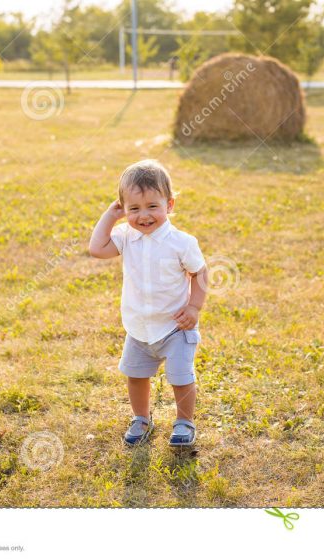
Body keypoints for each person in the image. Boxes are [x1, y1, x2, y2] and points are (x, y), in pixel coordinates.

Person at [88, 159, 208, 447]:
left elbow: (200, 272)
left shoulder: (182, 242)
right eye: (134, 208)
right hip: (139, 326)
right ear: (123, 209)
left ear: (170, 205)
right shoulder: (126, 238)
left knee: (180, 378)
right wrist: (110, 215)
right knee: (136, 376)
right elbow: (96, 249)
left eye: (152, 206)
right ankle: (141, 418)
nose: (144, 215)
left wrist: (193, 307)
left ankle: (184, 422)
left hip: (175, 327)